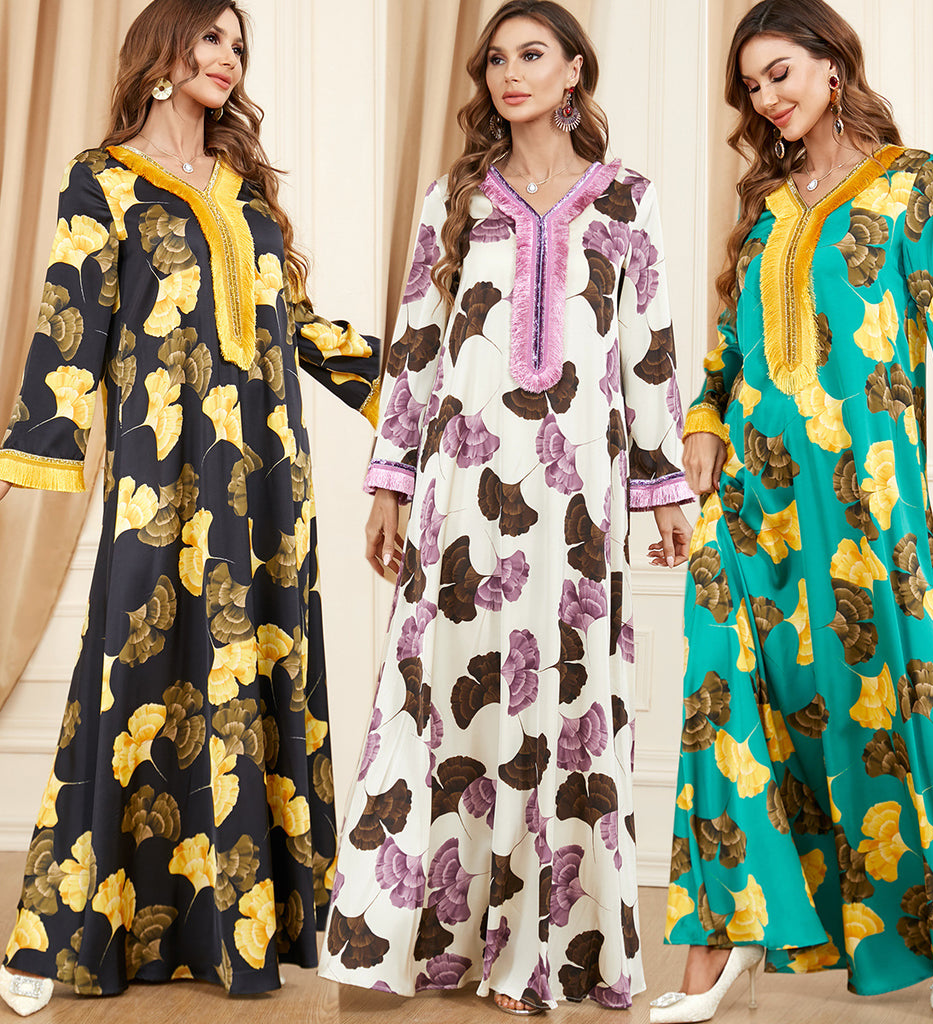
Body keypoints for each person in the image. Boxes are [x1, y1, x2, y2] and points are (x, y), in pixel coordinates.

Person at [0, 0, 378, 1013]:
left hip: (266, 477)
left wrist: (416, 382)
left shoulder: (244, 189)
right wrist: (30, 451)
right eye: (211, 38)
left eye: (238, 45)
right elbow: (72, 318)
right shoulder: (105, 179)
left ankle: (240, 932)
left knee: (258, 672)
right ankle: (61, 935)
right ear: (162, 53)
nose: (229, 58)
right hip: (158, 477)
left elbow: (294, 322)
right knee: (131, 672)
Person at [317, 0, 693, 1014]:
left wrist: (662, 485)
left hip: (577, 500)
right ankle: (422, 939)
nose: (510, 73)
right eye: (496, 60)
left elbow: (648, 348)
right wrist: (391, 480)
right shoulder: (454, 199)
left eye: (533, 54)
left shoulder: (628, 201)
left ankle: (550, 950)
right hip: (461, 494)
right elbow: (415, 346)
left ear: (574, 72)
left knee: (563, 707)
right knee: (439, 700)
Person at [652, 1, 933, 1020]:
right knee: (720, 689)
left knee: (888, 699)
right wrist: (701, 422)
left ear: (831, 65)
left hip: (867, 497)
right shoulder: (766, 211)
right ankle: (717, 942)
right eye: (752, 85)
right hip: (753, 493)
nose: (767, 97)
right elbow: (728, 352)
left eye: (779, 73)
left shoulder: (912, 182)